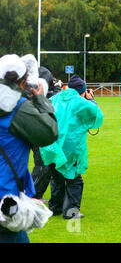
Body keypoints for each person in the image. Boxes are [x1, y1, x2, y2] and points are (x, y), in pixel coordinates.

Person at [0, 54, 58, 243]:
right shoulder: (17, 107)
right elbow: (49, 133)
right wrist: (40, 99)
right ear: (22, 82)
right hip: (5, 201)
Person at [40, 75, 103, 220]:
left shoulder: (55, 98)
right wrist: (91, 99)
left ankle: (55, 208)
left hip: (52, 146)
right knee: (74, 180)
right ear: (83, 90)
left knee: (56, 177)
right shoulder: (80, 101)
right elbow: (96, 115)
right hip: (71, 147)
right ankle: (71, 211)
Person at [31, 66, 63, 203]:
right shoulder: (39, 93)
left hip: (38, 131)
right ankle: (33, 195)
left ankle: (36, 194)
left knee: (46, 166)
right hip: (38, 132)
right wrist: (57, 89)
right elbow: (50, 104)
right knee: (42, 165)